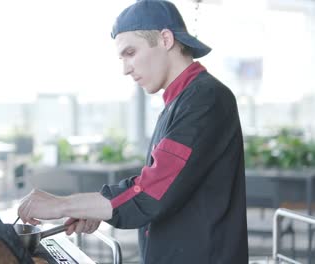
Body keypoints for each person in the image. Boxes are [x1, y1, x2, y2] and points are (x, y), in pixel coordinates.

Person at [17, 1, 249, 263]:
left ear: (165, 39)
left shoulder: (205, 99)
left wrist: (60, 205)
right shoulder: (180, 101)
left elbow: (151, 193)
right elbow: (158, 180)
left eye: (130, 52)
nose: (125, 68)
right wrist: (96, 208)